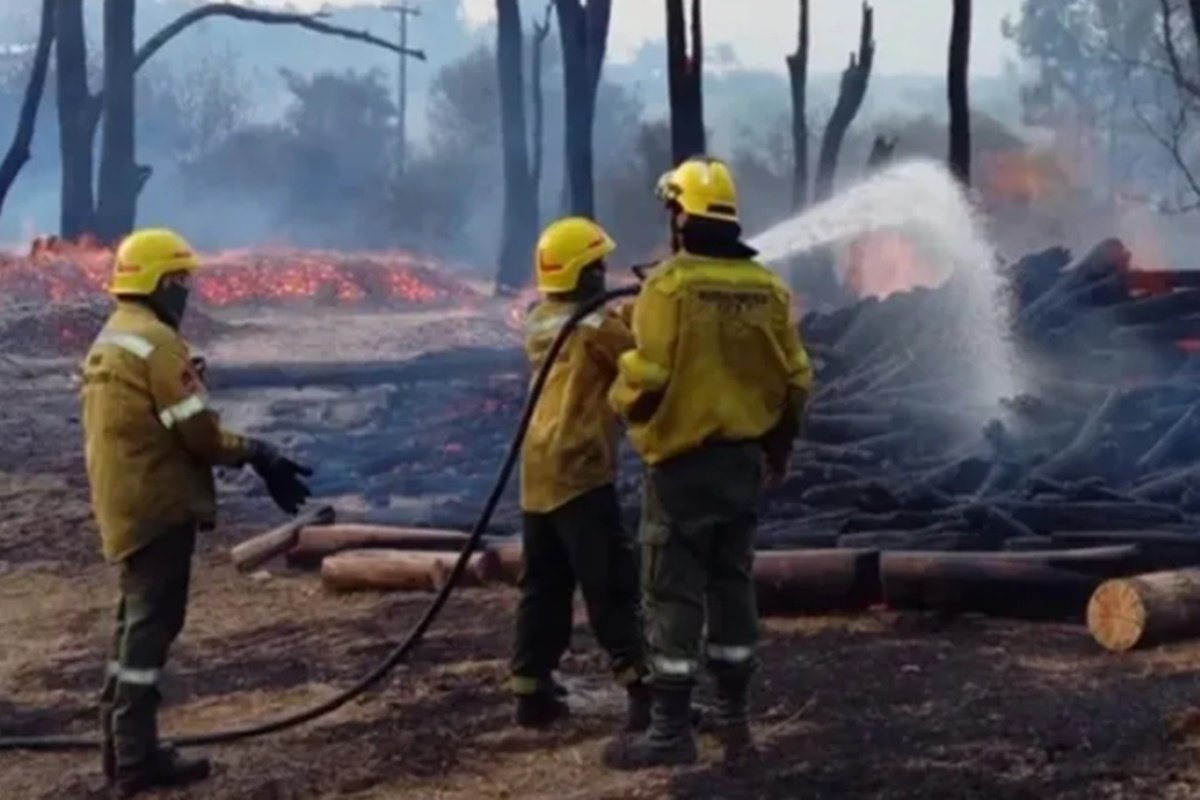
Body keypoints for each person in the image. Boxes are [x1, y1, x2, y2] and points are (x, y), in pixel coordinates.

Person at [82, 228, 313, 797]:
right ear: (160, 283)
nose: (187, 292)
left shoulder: (114, 336)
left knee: (131, 625)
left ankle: (121, 749)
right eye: (181, 281)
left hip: (125, 498)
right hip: (158, 504)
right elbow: (199, 434)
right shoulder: (157, 344)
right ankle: (135, 760)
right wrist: (257, 452)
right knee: (149, 630)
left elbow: (147, 418)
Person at [604, 157, 813, 768]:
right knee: (732, 583)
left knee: (671, 594)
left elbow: (647, 375)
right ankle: (736, 722)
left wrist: (622, 404)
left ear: (680, 215)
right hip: (743, 465)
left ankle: (670, 734)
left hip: (682, 467)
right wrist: (777, 450)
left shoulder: (668, 288)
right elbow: (797, 382)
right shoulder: (769, 289)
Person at [509, 217, 650, 731]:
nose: (606, 272)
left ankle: (530, 691)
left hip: (537, 468)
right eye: (598, 266)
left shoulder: (538, 320)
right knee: (609, 579)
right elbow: (636, 352)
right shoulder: (595, 327)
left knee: (543, 585)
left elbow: (598, 329)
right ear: (583, 275)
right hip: (580, 468)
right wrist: (649, 302)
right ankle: (643, 690)